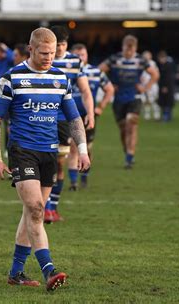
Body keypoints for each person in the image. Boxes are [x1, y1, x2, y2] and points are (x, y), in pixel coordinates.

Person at [0, 27, 90, 291]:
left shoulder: (60, 78)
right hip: (22, 151)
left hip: (49, 153)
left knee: (30, 213)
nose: (48, 58)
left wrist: (83, 148)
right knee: (36, 209)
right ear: (30, 49)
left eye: (53, 53)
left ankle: (15, 273)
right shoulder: (11, 78)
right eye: (43, 53)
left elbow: (74, 117)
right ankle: (49, 269)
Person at [44, 25, 94, 223]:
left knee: (58, 163)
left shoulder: (74, 61)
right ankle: (44, 207)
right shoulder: (42, 60)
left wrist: (89, 112)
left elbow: (86, 90)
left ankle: (52, 208)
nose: (59, 50)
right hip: (42, 118)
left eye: (62, 45)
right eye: (56, 45)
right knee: (45, 161)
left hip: (63, 120)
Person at [99, 35, 159, 169]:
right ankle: (127, 152)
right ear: (123, 47)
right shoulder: (114, 59)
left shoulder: (140, 60)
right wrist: (109, 85)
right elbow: (98, 71)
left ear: (136, 49)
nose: (129, 53)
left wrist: (145, 88)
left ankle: (129, 158)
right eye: (127, 50)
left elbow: (155, 74)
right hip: (119, 99)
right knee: (123, 130)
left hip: (135, 97)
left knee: (131, 125)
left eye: (131, 51)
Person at [71, 43, 114, 188]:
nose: (80, 58)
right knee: (71, 148)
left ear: (87, 55)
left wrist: (100, 107)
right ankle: (72, 180)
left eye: (82, 55)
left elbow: (109, 89)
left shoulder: (96, 72)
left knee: (87, 147)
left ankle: (84, 175)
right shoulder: (65, 70)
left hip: (87, 115)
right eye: (77, 55)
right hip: (67, 115)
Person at [140, 51, 161, 121]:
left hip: (153, 85)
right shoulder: (141, 63)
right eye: (145, 55)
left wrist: (153, 82)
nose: (146, 57)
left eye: (147, 55)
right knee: (146, 101)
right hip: (144, 85)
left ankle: (156, 115)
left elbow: (156, 74)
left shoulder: (153, 63)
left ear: (150, 56)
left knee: (154, 100)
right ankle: (147, 115)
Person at [157, 51, 176, 122]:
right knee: (164, 102)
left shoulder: (167, 66)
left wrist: (165, 86)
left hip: (167, 86)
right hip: (165, 86)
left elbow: (168, 77)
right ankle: (167, 117)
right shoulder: (163, 65)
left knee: (167, 102)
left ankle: (166, 117)